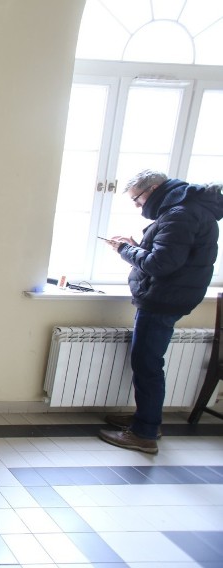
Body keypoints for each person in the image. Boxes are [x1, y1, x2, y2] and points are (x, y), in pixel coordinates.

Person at [99, 170, 223, 454]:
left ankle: (144, 433)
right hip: (171, 296)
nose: (137, 205)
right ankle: (146, 420)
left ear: (154, 189)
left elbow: (160, 264)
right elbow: (170, 255)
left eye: (138, 199)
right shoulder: (188, 209)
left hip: (162, 299)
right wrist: (135, 246)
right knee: (148, 362)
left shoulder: (180, 214)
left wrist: (123, 250)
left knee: (147, 364)